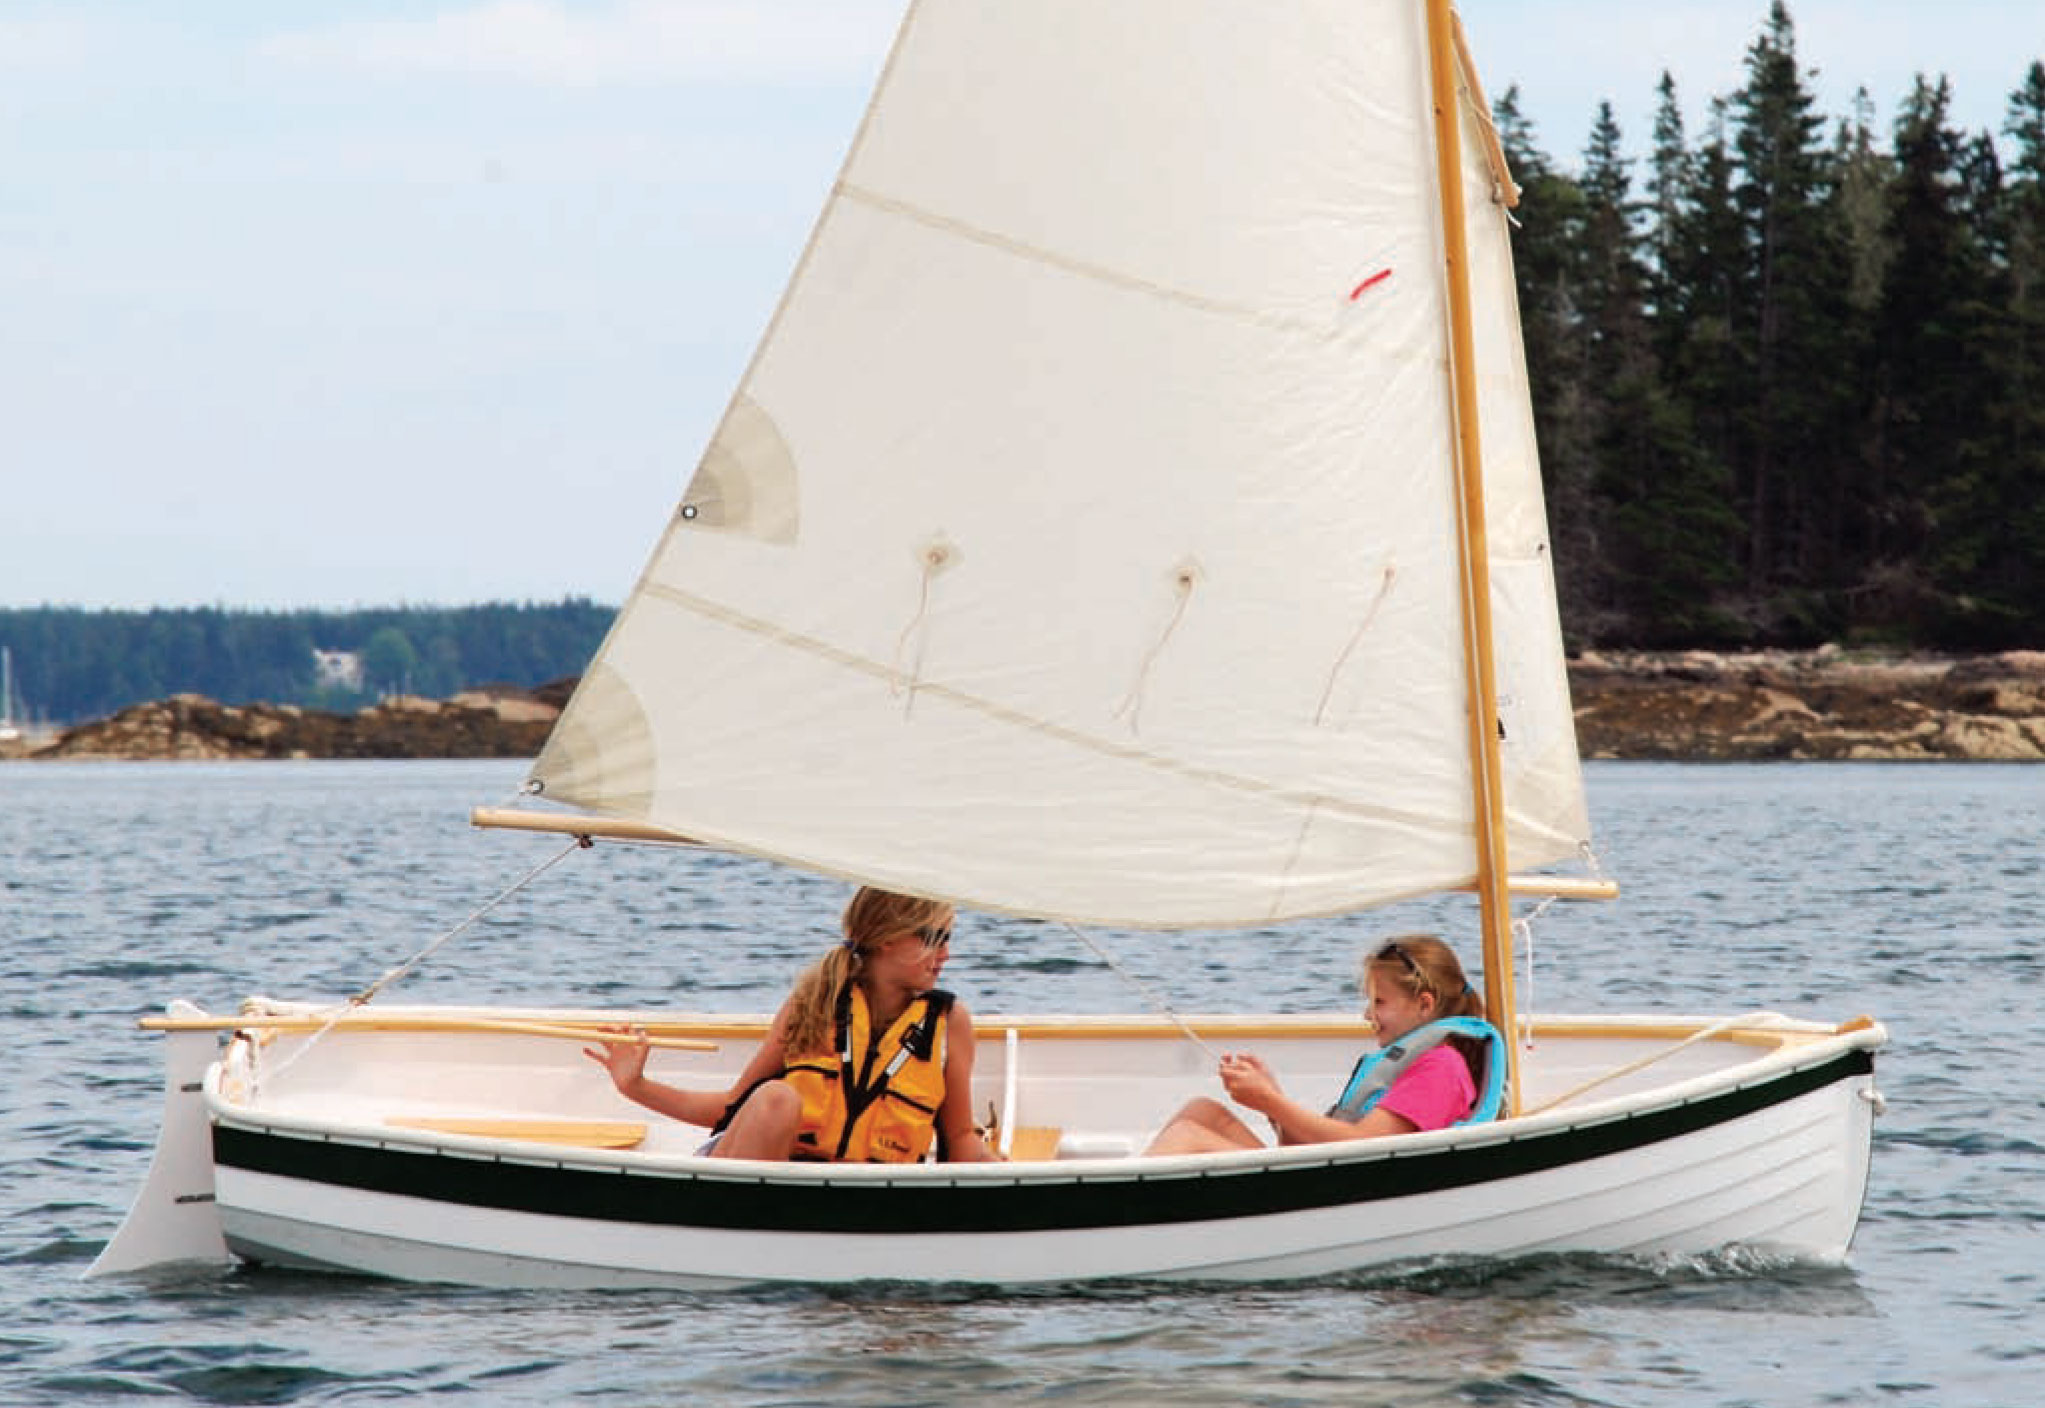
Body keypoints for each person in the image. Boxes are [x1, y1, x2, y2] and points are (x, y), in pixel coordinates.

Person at [585, 886, 999, 1163]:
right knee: (777, 1099)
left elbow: (959, 1137)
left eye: (948, 939)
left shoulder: (950, 1023)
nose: (946, 954)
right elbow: (732, 1109)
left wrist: (1006, 1172)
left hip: (864, 1192)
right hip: (767, 1180)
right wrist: (635, 1086)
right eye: (935, 939)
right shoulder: (814, 1003)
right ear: (888, 939)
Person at [1143, 934, 1497, 1156]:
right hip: (1327, 1187)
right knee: (1203, 1112)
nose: (1367, 1015)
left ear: (1424, 1004)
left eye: (1379, 1003)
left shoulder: (1441, 1069)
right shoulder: (1416, 1064)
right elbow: (1306, 1151)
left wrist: (1271, 1100)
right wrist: (1270, 1099)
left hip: (1345, 1201)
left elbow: (1362, 1148)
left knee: (1188, 1136)